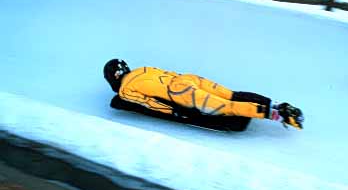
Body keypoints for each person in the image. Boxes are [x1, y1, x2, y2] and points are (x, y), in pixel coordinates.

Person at [103, 59, 304, 130]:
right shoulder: (143, 68)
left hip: (181, 93)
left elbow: (150, 104)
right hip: (188, 79)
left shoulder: (125, 90)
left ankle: (278, 115)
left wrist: (173, 112)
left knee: (227, 108)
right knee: (232, 95)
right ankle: (277, 104)